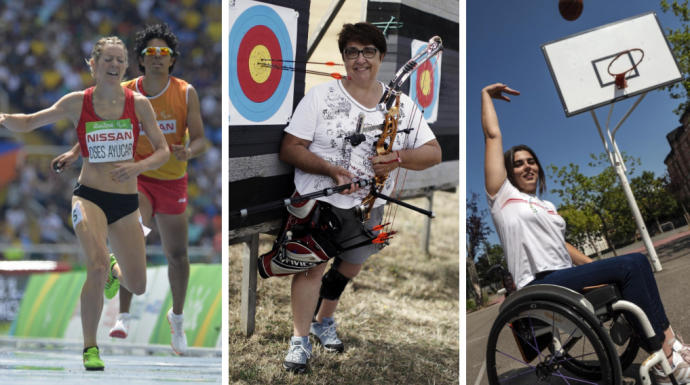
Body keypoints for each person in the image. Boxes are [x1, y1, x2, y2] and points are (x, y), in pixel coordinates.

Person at [482, 82, 690, 384]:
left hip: (564, 277)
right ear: (508, 172)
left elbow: (563, 247)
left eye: (531, 162)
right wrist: (486, 96)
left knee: (627, 270)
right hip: (538, 283)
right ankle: (667, 349)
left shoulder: (546, 206)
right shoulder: (501, 198)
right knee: (634, 263)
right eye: (518, 164)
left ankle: (661, 345)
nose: (527, 167)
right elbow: (492, 135)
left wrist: (597, 269)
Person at [277, 22, 442, 373]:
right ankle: (300, 340)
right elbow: (290, 148)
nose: (360, 59)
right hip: (320, 201)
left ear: (380, 56)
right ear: (344, 59)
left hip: (368, 204)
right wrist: (332, 171)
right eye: (352, 52)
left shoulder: (401, 104)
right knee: (311, 269)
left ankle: (324, 320)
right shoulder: (321, 97)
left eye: (368, 51)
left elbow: (433, 152)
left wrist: (397, 158)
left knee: (353, 262)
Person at [0, 36, 169, 370]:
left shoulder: (139, 104)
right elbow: (32, 121)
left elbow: (162, 150)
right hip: (88, 195)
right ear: (92, 65)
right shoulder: (77, 102)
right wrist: (3, 117)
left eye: (120, 60)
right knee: (94, 265)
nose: (114, 65)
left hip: (125, 203)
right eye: (107, 59)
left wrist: (137, 167)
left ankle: (112, 269)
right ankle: (91, 348)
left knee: (137, 284)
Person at [52, 24, 207, 356]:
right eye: (149, 53)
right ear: (139, 59)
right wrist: (74, 152)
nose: (156, 58)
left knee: (177, 255)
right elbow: (94, 128)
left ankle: (176, 319)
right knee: (135, 235)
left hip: (172, 177)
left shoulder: (185, 92)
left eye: (162, 53)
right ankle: (122, 316)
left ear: (172, 59)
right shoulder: (123, 90)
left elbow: (201, 138)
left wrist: (189, 152)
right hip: (134, 178)